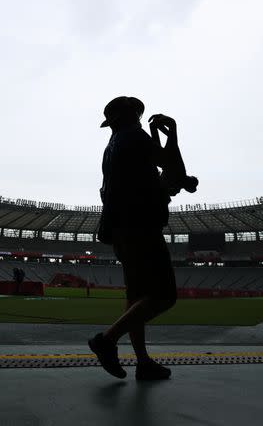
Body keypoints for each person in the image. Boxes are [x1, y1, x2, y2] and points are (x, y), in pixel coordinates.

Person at [88, 96, 197, 381]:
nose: (139, 120)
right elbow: (174, 170)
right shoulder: (134, 137)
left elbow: (155, 181)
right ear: (131, 117)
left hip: (120, 230)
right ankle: (107, 340)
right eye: (137, 116)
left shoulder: (111, 148)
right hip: (141, 227)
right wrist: (172, 134)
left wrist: (165, 185)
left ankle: (143, 362)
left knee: (137, 297)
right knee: (163, 296)